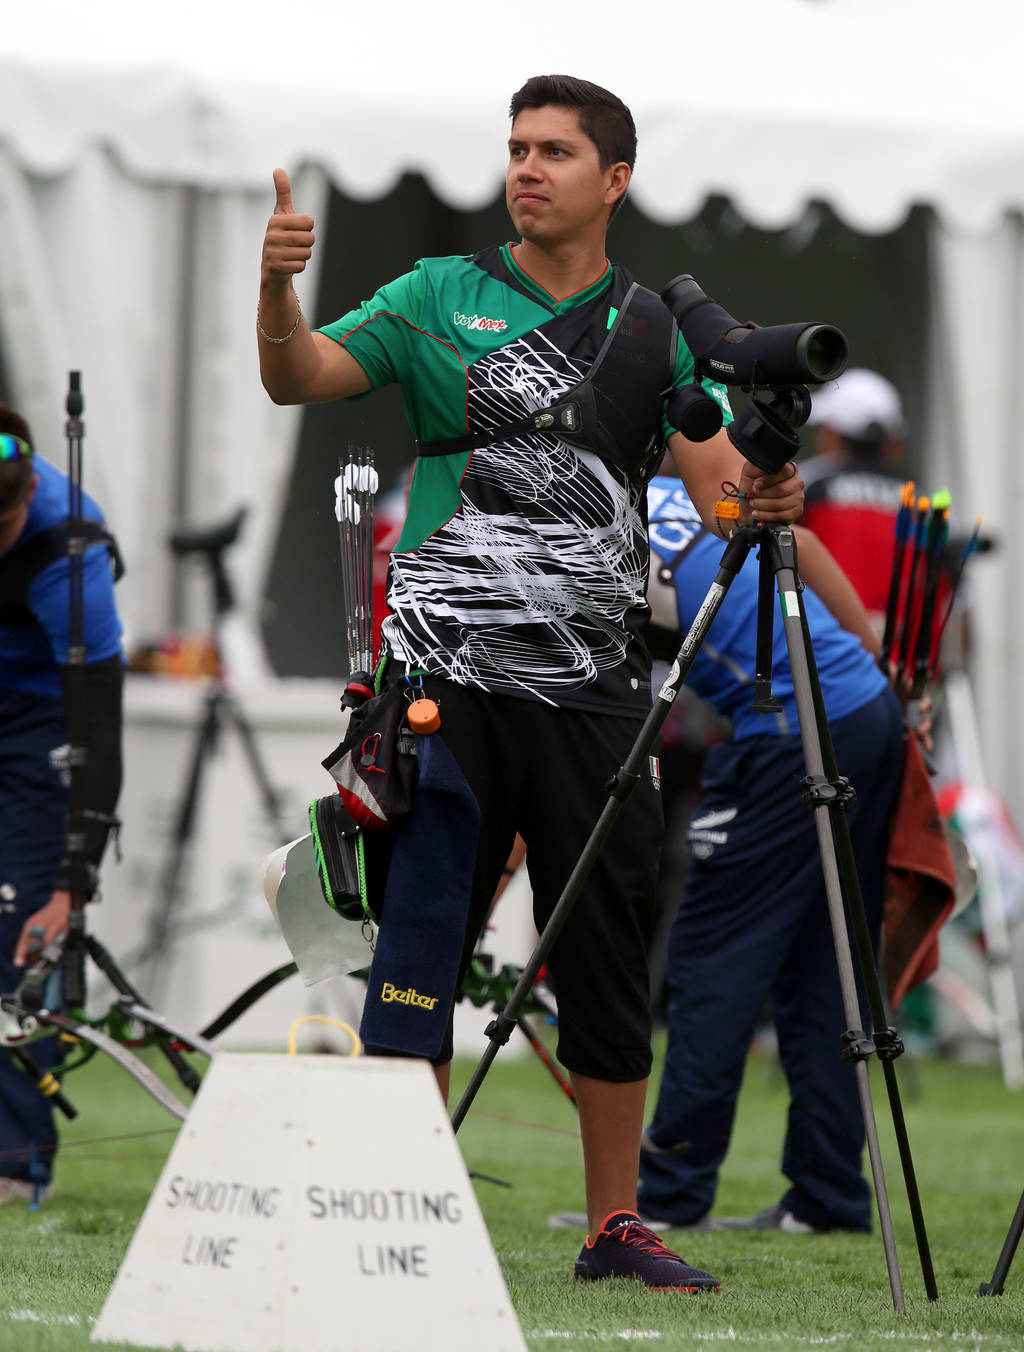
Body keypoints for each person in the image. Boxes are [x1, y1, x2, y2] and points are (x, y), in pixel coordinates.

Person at [258, 74, 803, 1291]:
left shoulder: (655, 329)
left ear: (613, 180)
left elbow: (718, 495)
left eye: (555, 150)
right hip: (442, 682)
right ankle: (407, 1207)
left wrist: (760, 494)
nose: (526, 167)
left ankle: (618, 1224)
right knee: (422, 940)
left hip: (597, 688)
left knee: (605, 952)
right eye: (515, 147)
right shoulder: (438, 292)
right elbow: (296, 377)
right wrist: (274, 286)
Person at [634, 473, 905, 1234]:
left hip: (791, 728)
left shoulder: (580, 520)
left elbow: (627, 705)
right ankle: (827, 1198)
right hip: (863, 710)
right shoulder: (671, 482)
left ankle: (668, 1200)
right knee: (827, 960)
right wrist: (874, 660)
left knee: (712, 954)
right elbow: (802, 545)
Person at [0, 404, 124, 1203]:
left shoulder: (68, 547)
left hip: (44, 714)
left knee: (15, 935)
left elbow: (99, 724)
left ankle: (15, 1161)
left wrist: (69, 885)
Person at [798, 367, 908, 625]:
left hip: (827, 646)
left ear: (834, 434)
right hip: (903, 655)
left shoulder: (804, 484)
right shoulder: (923, 500)